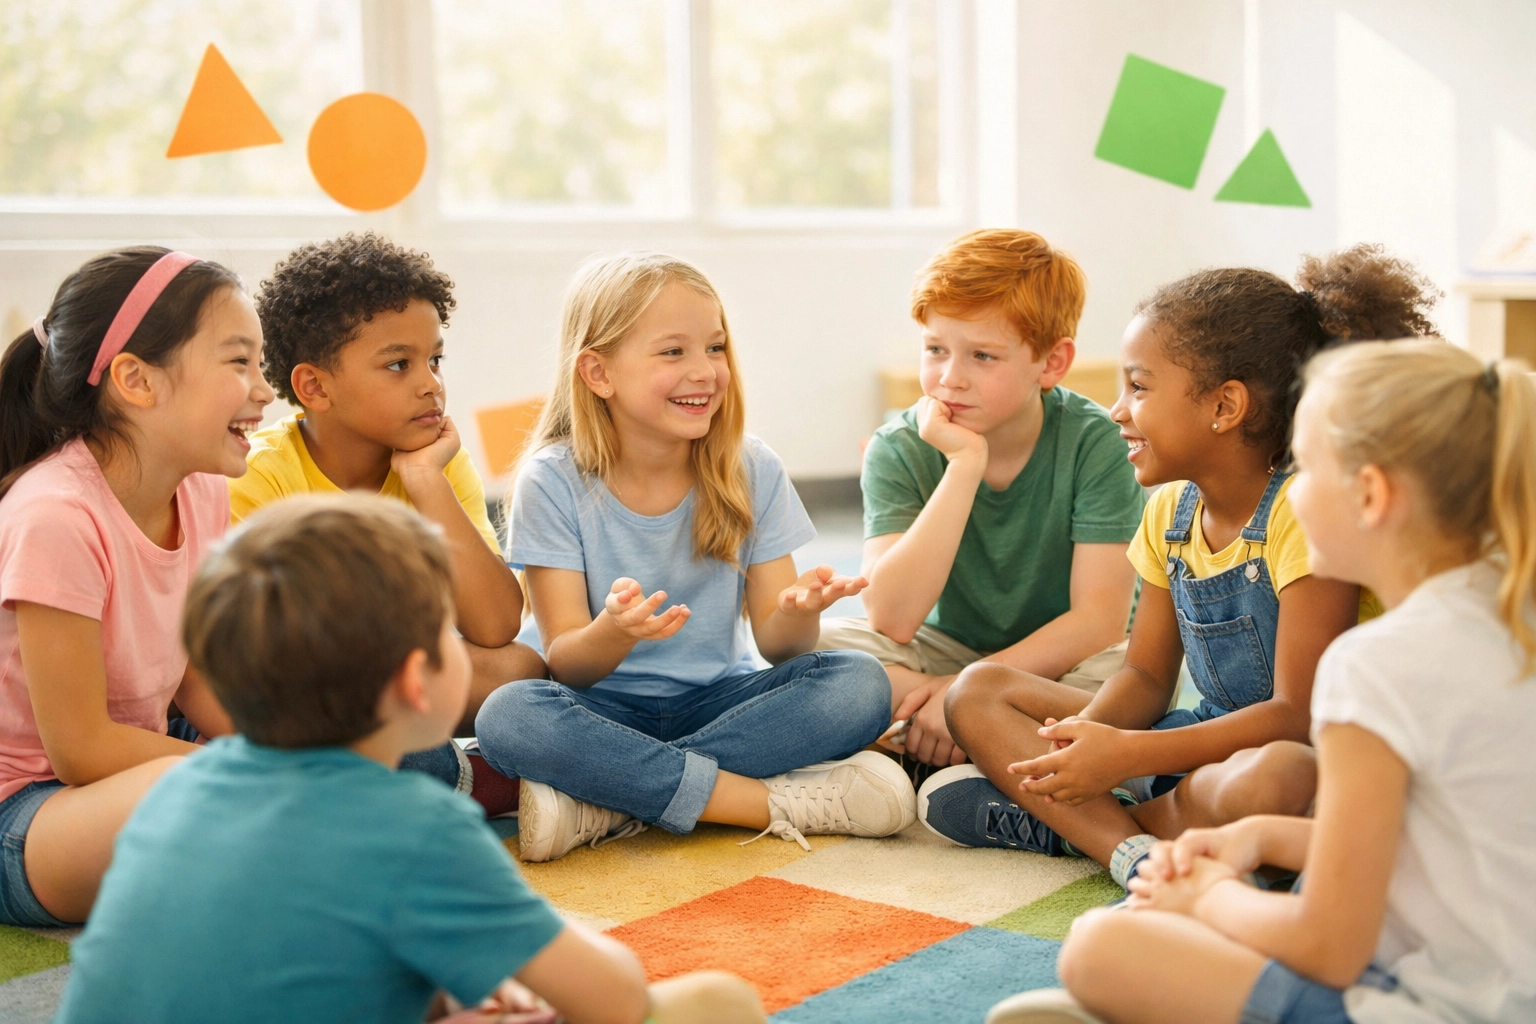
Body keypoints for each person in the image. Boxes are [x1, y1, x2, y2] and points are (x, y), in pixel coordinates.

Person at [56, 495, 768, 1024]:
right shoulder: (415, 828)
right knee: (719, 1001)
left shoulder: (173, 791)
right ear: (415, 680)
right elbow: (613, 999)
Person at [994, 340, 1536, 1024]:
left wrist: (1210, 897)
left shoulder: (1376, 666)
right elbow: (1436, 847)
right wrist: (1261, 839)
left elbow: (1329, 948)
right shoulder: (1511, 621)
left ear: (1371, 495)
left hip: (1432, 1005)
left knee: (1100, 947)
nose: (1290, 491)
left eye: (1304, 467)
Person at [923, 245, 1439, 890]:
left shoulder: (1306, 512)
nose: (1117, 409)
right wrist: (1085, 742)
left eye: (1138, 387)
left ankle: (1094, 830)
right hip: (1192, 738)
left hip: (1299, 754)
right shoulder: (1168, 510)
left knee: (1278, 775)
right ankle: (1125, 838)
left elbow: (1297, 713)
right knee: (978, 690)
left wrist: (1127, 756)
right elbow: (1144, 675)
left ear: (1225, 407)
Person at [475, 251, 914, 863]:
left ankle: (610, 799)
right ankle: (751, 800)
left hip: (719, 701)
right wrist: (614, 631)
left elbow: (780, 648)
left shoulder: (750, 467)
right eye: (673, 352)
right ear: (598, 373)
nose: (705, 371)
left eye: (715, 347)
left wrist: (800, 612)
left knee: (860, 684)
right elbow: (569, 664)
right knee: (509, 715)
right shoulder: (552, 481)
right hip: (599, 711)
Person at [0, 247, 271, 926]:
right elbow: (82, 748)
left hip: (129, 769)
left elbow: (195, 675)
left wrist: (284, 747)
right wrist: (257, 771)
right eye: (240, 363)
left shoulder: (202, 492)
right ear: (136, 381)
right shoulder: (56, 516)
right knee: (228, 798)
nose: (265, 391)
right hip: (28, 810)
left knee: (340, 734)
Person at [234, 232, 542, 810]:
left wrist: (425, 480)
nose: (431, 384)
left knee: (522, 671)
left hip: (402, 679)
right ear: (314, 386)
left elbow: (497, 625)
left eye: (435, 360)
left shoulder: (436, 462)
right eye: (399, 365)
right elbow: (264, 658)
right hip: (308, 693)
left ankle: (432, 772)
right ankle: (477, 779)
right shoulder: (258, 476)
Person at [818, 229, 1145, 769]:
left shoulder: (1098, 443)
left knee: (1131, 671)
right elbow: (891, 618)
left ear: (1052, 362)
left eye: (983, 356)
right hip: (942, 647)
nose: (950, 379)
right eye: (935, 350)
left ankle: (937, 736)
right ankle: (993, 741)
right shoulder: (897, 447)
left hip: (1062, 661)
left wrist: (964, 688)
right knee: (817, 647)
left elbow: (1098, 621)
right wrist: (964, 465)